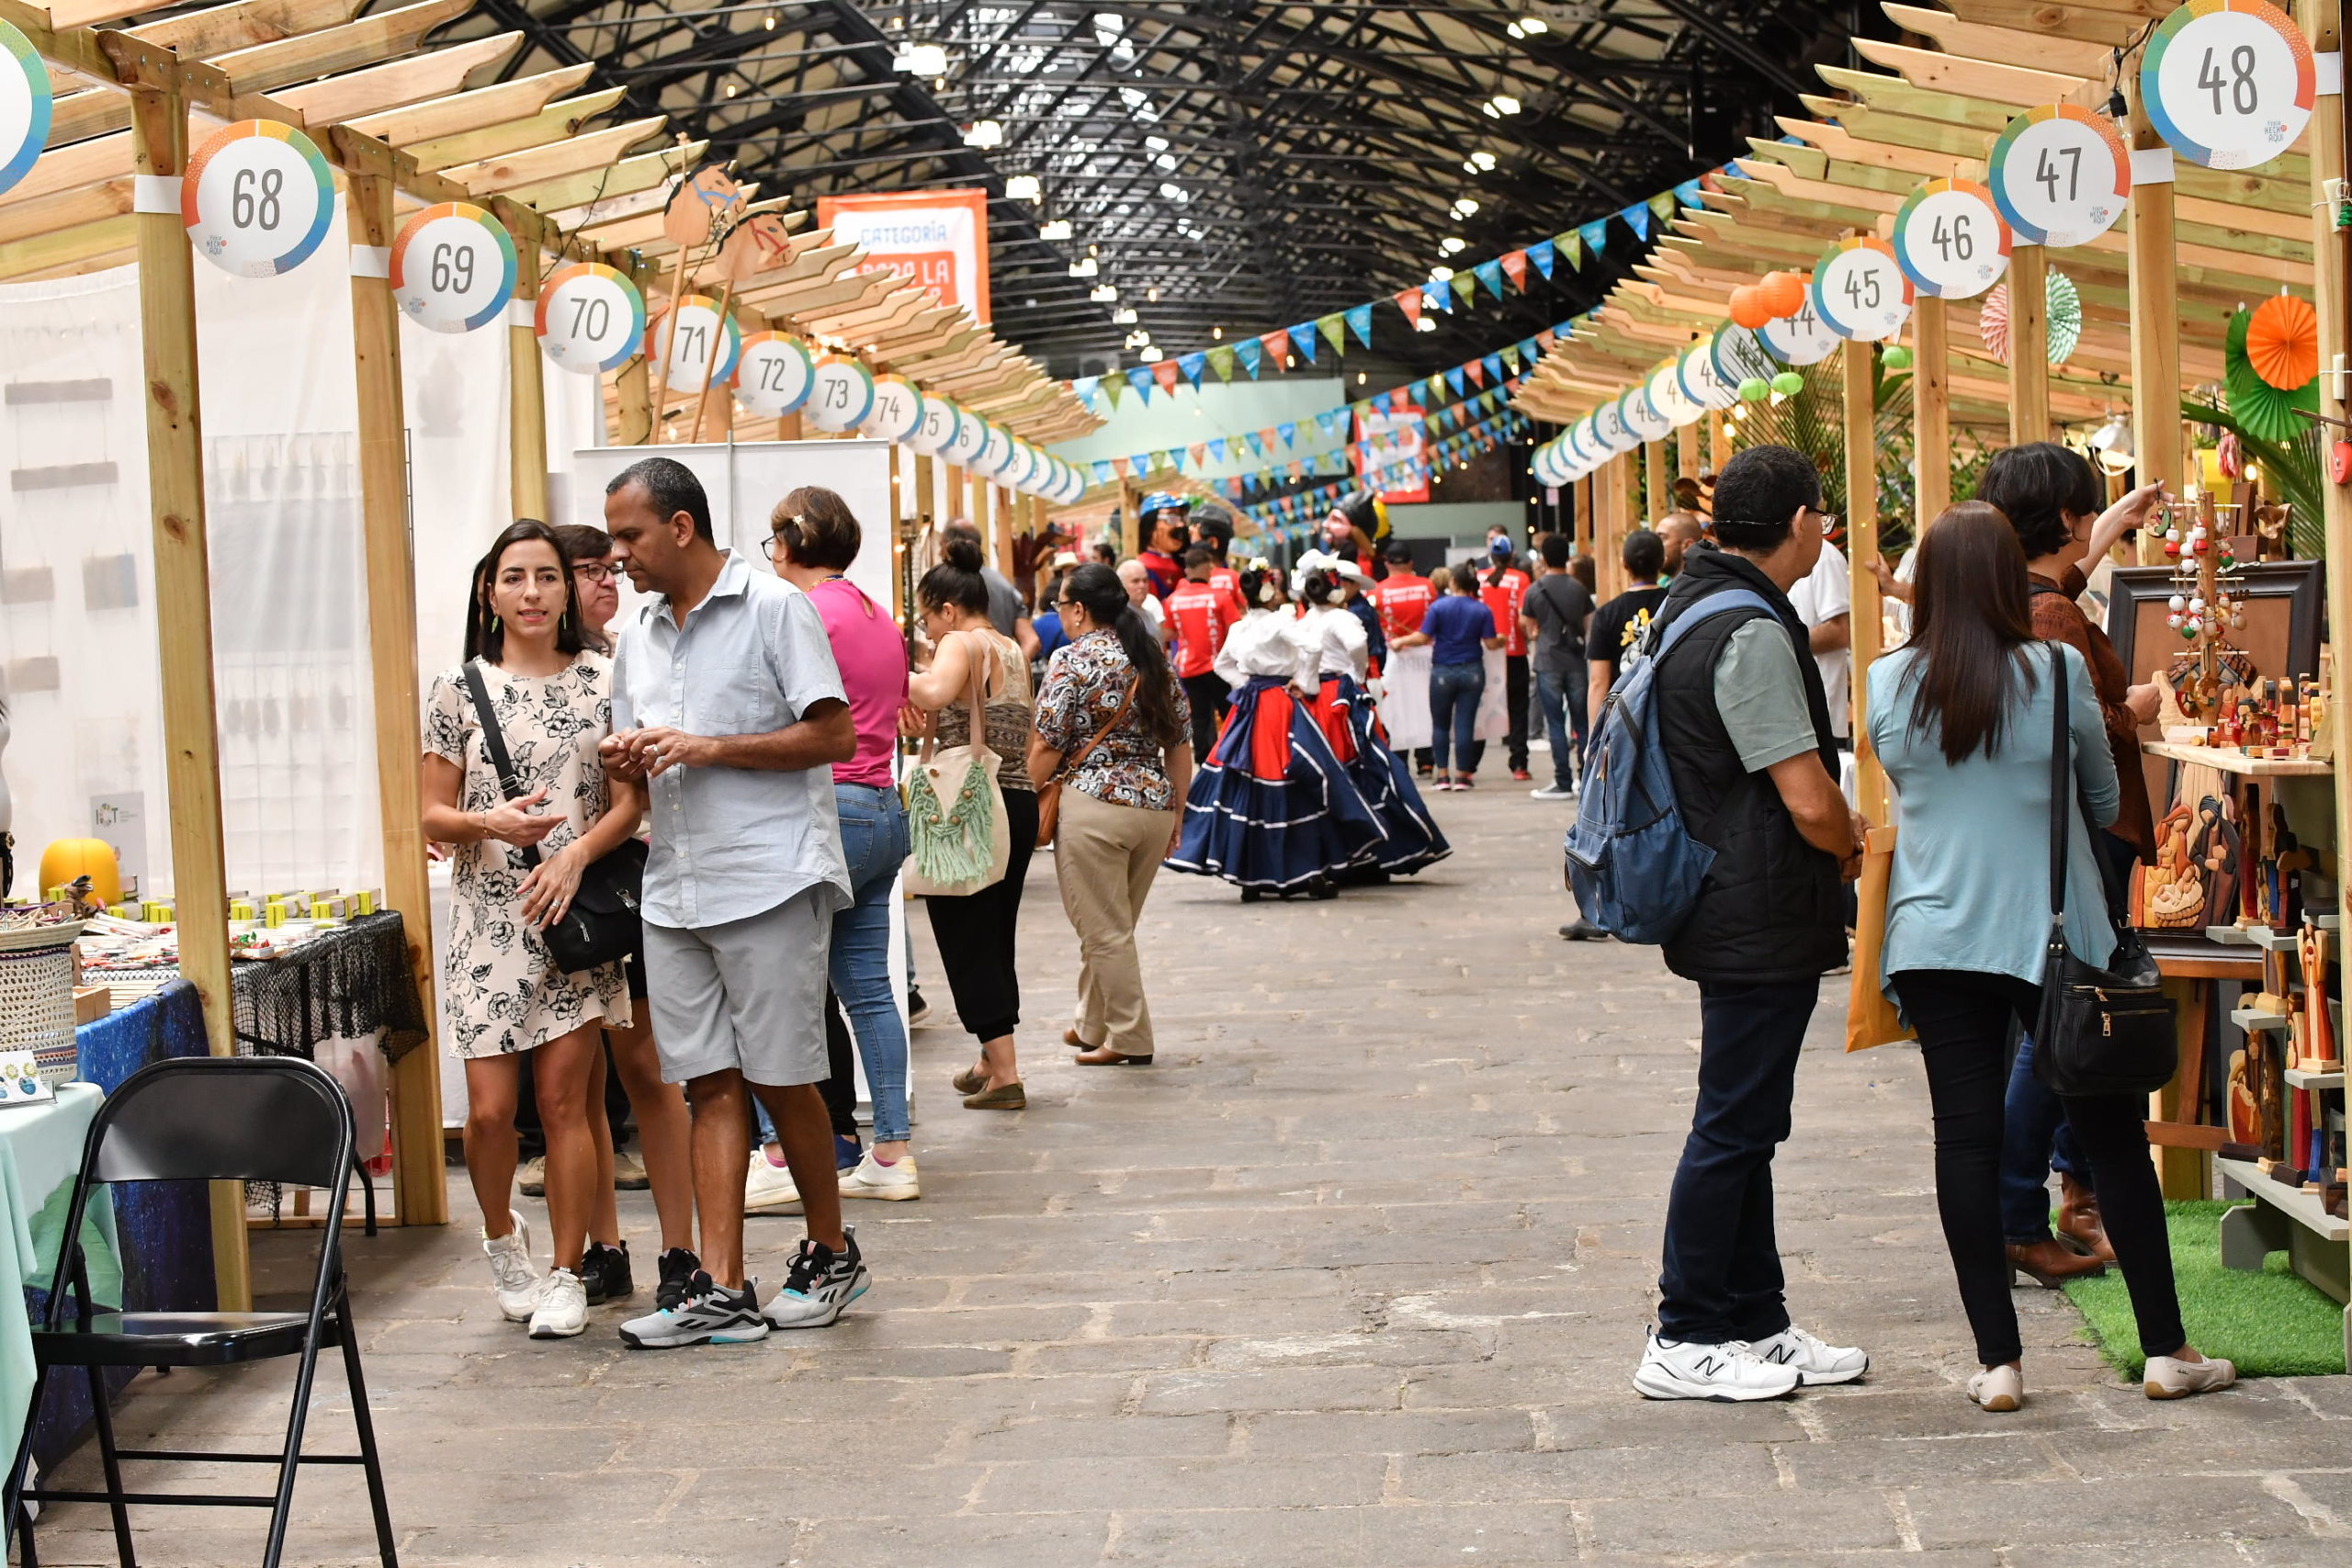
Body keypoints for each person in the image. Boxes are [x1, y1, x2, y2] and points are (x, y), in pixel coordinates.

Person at [1871, 500, 2234, 1411]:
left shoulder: (1885, 683)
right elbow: (2108, 789)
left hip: (1933, 932)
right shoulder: (2058, 671)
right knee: (2110, 1136)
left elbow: (1904, 786)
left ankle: (1998, 1363)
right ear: (2004, 577)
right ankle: (2164, 1351)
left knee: (1965, 1138)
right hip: (2056, 932)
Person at [595, 457, 869, 1349]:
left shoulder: (774, 608)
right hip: (674, 883)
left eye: (630, 535)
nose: (618, 554)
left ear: (680, 528)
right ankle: (720, 1285)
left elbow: (834, 733)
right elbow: (643, 751)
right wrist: (625, 760)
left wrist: (705, 748)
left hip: (772, 875)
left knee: (784, 1074)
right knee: (706, 1082)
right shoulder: (640, 634)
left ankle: (831, 1254)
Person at [1633, 445, 1867, 1402]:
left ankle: (1756, 1321)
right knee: (1733, 1123)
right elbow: (1807, 797)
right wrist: (1853, 846)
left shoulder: (1693, 602)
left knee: (1748, 1120)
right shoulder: (1753, 629)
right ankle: (1684, 1330)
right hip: (1755, 902)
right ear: (1804, 523)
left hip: (1725, 894)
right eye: (1823, 519)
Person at [421, 520, 650, 1340]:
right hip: (488, 919)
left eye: (546, 577)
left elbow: (631, 806)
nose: (531, 592)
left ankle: (566, 1270)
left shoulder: (605, 680)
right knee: (488, 1114)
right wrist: (487, 822)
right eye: (514, 578)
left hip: (572, 920)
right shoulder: (458, 691)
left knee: (563, 1103)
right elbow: (428, 810)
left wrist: (574, 856)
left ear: (568, 589)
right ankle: (498, 1237)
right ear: (490, 591)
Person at [1975, 446, 2168, 1286]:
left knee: (2055, 1030)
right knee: (2065, 1032)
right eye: (2089, 509)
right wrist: (2143, 706)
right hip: (2085, 833)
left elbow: (2060, 590)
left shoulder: (2010, 592)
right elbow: (2089, 727)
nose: (2093, 520)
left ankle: (2054, 1196)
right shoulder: (2049, 615)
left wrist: (2120, 523)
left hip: (2044, 839)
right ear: (2063, 518)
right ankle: (2024, 1206)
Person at [531, 522, 696, 1304]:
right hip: (555, 907)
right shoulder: (525, 674)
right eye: (586, 569)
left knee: (646, 1067)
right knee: (582, 1081)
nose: (607, 581)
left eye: (610, 567)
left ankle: (679, 1249)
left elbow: (636, 796)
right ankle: (605, 1245)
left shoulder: (629, 659)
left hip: (625, 892)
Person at [753, 487, 921, 1206]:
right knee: (870, 992)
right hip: (882, 806)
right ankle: (892, 1150)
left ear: (788, 543)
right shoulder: (877, 614)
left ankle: (781, 1157)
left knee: (773, 989)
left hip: (827, 811)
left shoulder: (802, 611)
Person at [1029, 563, 1194, 1067]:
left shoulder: (1071, 660)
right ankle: (1090, 1023)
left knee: (1103, 929)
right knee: (1112, 924)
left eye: (1060, 604)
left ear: (1079, 610)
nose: (1060, 613)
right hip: (1153, 809)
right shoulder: (1152, 659)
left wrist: (1017, 798)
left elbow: (1046, 744)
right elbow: (1180, 744)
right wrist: (1178, 813)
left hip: (1095, 808)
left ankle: (1129, 1036)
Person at [907, 532, 1039, 1111]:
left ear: (948, 609)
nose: (927, 633)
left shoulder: (961, 642)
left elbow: (933, 694)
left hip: (971, 806)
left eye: (927, 620)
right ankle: (992, 1058)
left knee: (965, 935)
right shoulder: (1010, 647)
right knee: (993, 931)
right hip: (1015, 800)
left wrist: (885, 665)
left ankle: (1006, 1073)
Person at [1170, 562, 1379, 900]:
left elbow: (1222, 664)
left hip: (1250, 705)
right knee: (1296, 777)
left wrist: (1247, 684)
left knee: (1247, 781)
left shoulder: (1239, 628)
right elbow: (1312, 648)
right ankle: (1305, 872)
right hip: (1279, 705)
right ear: (1268, 592)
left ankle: (1251, 878)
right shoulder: (1280, 622)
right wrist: (1304, 683)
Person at [1296, 555, 1447, 877]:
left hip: (1315, 700)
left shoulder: (1305, 621)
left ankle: (1340, 853)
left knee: (1328, 770)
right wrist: (1357, 674)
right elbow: (1357, 645)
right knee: (1365, 765)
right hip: (1339, 695)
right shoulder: (1341, 619)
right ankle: (1372, 849)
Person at [1396, 562, 1501, 791]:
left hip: (1443, 670)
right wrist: (1501, 638)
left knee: (1441, 725)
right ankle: (1463, 776)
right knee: (1465, 724)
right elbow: (1492, 644)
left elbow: (1423, 637)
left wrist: (1400, 641)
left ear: (1452, 582)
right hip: (1473, 670)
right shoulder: (1482, 609)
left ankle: (1442, 776)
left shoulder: (1439, 607)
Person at [1521, 533, 1592, 802]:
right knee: (1582, 723)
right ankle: (1586, 779)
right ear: (1568, 557)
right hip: (1575, 661)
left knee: (1554, 724)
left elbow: (1528, 628)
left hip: (1547, 661)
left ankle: (1562, 781)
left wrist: (1539, 632)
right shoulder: (1579, 589)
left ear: (1544, 558)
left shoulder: (1535, 589)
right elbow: (1590, 626)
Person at [1584, 530, 1670, 736]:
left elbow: (1598, 681)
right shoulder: (1676, 605)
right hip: (1668, 712)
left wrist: (1594, 736)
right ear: (1662, 562)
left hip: (1623, 717)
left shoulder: (1607, 613)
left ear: (1624, 564)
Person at [1369, 540, 1438, 778]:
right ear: (1411, 562)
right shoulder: (1428, 587)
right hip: (1426, 654)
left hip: (1393, 656)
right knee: (1425, 705)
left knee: (1397, 708)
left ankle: (1399, 760)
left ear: (1387, 563)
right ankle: (1426, 760)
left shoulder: (1376, 592)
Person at [1167, 544, 1240, 761]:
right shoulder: (1220, 597)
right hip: (1218, 665)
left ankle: (1204, 761)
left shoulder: (1173, 600)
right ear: (1206, 568)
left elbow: (1169, 633)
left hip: (1189, 667)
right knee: (1227, 713)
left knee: (1199, 716)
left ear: (1187, 570)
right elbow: (1235, 628)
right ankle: (1231, 756)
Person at [1787, 536, 1853, 746]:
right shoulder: (1777, 553)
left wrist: (1780, 644)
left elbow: (1840, 631)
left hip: (1820, 709)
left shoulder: (1826, 557)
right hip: (1787, 707)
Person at [943, 520, 1040, 662]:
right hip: (999, 669)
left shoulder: (949, 583)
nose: (939, 551)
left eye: (941, 545)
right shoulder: (1003, 584)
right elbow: (1031, 641)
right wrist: (1011, 672)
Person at [1476, 536, 1532, 780]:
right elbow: (1523, 617)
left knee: (1480, 708)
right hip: (1514, 652)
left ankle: (1467, 767)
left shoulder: (1479, 578)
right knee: (1518, 708)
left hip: (1484, 652)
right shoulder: (1520, 579)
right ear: (1513, 556)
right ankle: (1519, 765)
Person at [1136, 492, 1190, 599]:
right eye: (1172, 518)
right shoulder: (1142, 567)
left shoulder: (1183, 563)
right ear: (1150, 526)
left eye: (1181, 518)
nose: (1180, 525)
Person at [1117, 557, 1170, 647]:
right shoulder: (1116, 618)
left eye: (1145, 580)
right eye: (1135, 581)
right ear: (1121, 584)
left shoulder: (1150, 615)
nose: (1142, 585)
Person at [1657, 512, 1706, 581]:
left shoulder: (1702, 585)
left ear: (1688, 545)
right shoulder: (1662, 583)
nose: (1655, 544)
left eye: (1662, 539)